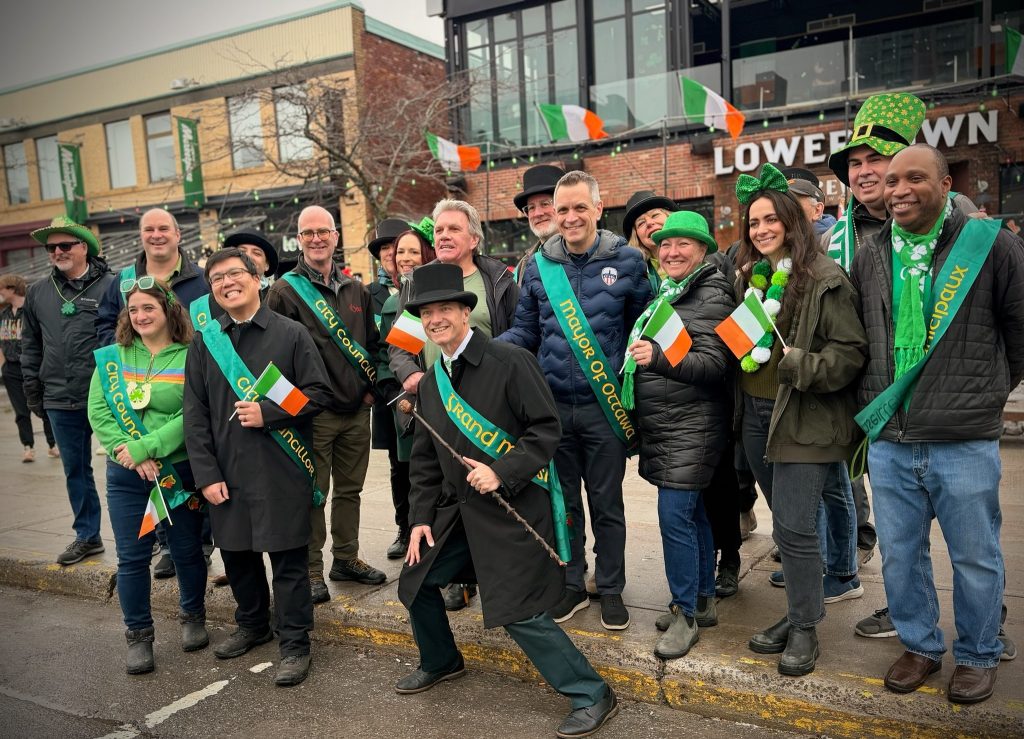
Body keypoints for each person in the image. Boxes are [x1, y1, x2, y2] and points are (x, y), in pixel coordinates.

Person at [396, 262, 619, 739]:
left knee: (518, 610)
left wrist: (501, 471)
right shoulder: (432, 380)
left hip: (511, 510)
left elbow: (546, 431)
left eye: (444, 309)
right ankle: (442, 660)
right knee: (416, 579)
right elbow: (425, 463)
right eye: (427, 313)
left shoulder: (510, 361)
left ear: (465, 312)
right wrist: (419, 519)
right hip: (458, 514)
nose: (435, 319)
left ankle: (592, 692)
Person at [851, 144, 1024, 704]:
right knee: (901, 555)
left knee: (975, 556)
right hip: (891, 439)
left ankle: (978, 653)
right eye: (892, 180)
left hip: (962, 438)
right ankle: (920, 645)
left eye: (915, 178)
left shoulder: (990, 244)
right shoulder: (871, 253)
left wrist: (983, 393)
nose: (899, 190)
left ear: (946, 184)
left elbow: (1019, 333)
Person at [825, 92, 985, 639]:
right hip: (880, 413)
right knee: (900, 539)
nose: (866, 172)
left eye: (879, 159)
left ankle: (986, 628)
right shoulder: (842, 237)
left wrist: (984, 388)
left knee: (972, 542)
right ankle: (907, 618)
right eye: (855, 163)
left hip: (952, 413)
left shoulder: (962, 221)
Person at [499, 170, 653, 630]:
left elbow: (643, 327)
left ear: (598, 209)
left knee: (607, 503)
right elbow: (526, 331)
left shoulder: (629, 262)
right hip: (552, 410)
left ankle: (611, 587)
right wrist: (482, 350)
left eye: (579, 207)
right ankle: (571, 582)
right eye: (562, 209)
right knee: (563, 504)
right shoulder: (539, 266)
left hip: (604, 408)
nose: (569, 217)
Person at [733, 164, 867, 677]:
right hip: (756, 414)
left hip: (803, 416)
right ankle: (797, 613)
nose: (761, 229)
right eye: (753, 222)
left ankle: (806, 627)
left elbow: (850, 354)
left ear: (793, 221)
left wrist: (800, 365)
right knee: (785, 528)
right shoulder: (751, 276)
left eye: (771, 219)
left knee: (794, 527)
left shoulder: (825, 277)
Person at [184, 248, 332, 687]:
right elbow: (194, 414)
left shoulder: (291, 334)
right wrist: (206, 475)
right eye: (216, 279)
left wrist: (269, 412)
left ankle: (295, 643)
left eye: (234, 274)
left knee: (287, 561)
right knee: (237, 555)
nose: (226, 283)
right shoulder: (206, 342)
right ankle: (252, 625)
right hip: (226, 471)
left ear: (257, 278)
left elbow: (319, 394)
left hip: (280, 468)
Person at [389, 198, 519, 611]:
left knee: (486, 487)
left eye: (453, 229)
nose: (443, 236)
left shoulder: (498, 280)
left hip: (488, 407)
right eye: (439, 229)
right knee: (448, 489)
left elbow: (520, 335)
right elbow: (400, 347)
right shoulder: (419, 282)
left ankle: (503, 578)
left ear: (474, 238)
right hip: (436, 402)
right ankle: (459, 579)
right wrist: (411, 375)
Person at [624, 191, 748, 600]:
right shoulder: (670, 290)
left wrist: (657, 358)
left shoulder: (710, 292)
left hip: (693, 425)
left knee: (676, 519)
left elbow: (713, 364)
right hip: (670, 425)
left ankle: (686, 606)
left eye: (682, 244)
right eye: (666, 245)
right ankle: (702, 598)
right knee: (693, 517)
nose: (671, 251)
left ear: (702, 250)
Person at [266, 206, 390, 604]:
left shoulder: (357, 290)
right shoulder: (283, 292)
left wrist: (370, 392)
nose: (317, 239)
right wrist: (296, 406)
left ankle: (346, 558)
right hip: (313, 416)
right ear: (299, 240)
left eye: (324, 231)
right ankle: (311, 568)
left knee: (350, 491)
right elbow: (271, 356)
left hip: (356, 411)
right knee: (313, 493)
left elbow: (374, 345)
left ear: (336, 237)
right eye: (308, 233)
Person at [87, 278, 207, 674]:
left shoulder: (191, 355)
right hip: (126, 473)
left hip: (177, 469)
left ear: (168, 310)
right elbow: (99, 411)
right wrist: (130, 453)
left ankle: (193, 615)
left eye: (148, 308)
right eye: (134, 309)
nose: (140, 316)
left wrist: (148, 447)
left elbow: (193, 414)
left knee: (186, 549)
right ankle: (138, 635)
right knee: (131, 558)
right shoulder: (112, 357)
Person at [98, 207, 211, 580]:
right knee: (135, 552)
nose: (156, 234)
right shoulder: (122, 281)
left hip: (186, 387)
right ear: (141, 235)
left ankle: (198, 544)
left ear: (178, 234)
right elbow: (105, 327)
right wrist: (126, 358)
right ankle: (165, 546)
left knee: (189, 529)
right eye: (149, 229)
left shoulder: (201, 279)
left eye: (164, 228)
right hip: (132, 389)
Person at [21, 216, 115, 565]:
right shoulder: (37, 292)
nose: (57, 252)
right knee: (76, 470)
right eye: (51, 247)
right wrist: (33, 389)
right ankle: (88, 536)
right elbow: (31, 344)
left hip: (109, 395)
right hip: (60, 398)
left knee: (130, 467)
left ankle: (146, 535)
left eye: (64, 245)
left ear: (84, 248)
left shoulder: (113, 284)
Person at [376, 220, 436, 562]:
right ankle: (409, 529)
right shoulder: (406, 296)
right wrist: (404, 382)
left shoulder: (429, 288)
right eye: (401, 252)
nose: (405, 258)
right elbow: (397, 350)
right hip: (407, 397)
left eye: (414, 251)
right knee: (408, 470)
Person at [368, 217, 421, 561]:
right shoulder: (371, 294)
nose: (394, 254)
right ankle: (405, 527)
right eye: (388, 249)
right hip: (392, 394)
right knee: (399, 466)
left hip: (420, 386)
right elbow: (375, 348)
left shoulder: (422, 287)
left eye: (400, 248)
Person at [0, 274, 58, 462]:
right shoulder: (4, 314)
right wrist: (3, 366)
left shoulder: (32, 310)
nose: (0, 293)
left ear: (12, 289)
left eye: (2, 289)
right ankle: (28, 447)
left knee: (44, 407)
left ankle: (52, 444)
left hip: (34, 366)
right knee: (21, 412)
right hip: (11, 370)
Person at [512, 164, 563, 285]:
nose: (538, 213)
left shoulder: (584, 252)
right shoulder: (522, 268)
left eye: (545, 204)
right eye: (531, 208)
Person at [780, 167, 836, 238]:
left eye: (793, 202)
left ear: (817, 210)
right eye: (782, 202)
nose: (785, 208)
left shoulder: (836, 241)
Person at [223, 230, 279, 299]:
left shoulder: (276, 301)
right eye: (242, 251)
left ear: (266, 265)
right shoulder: (215, 296)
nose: (248, 256)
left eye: (257, 253)